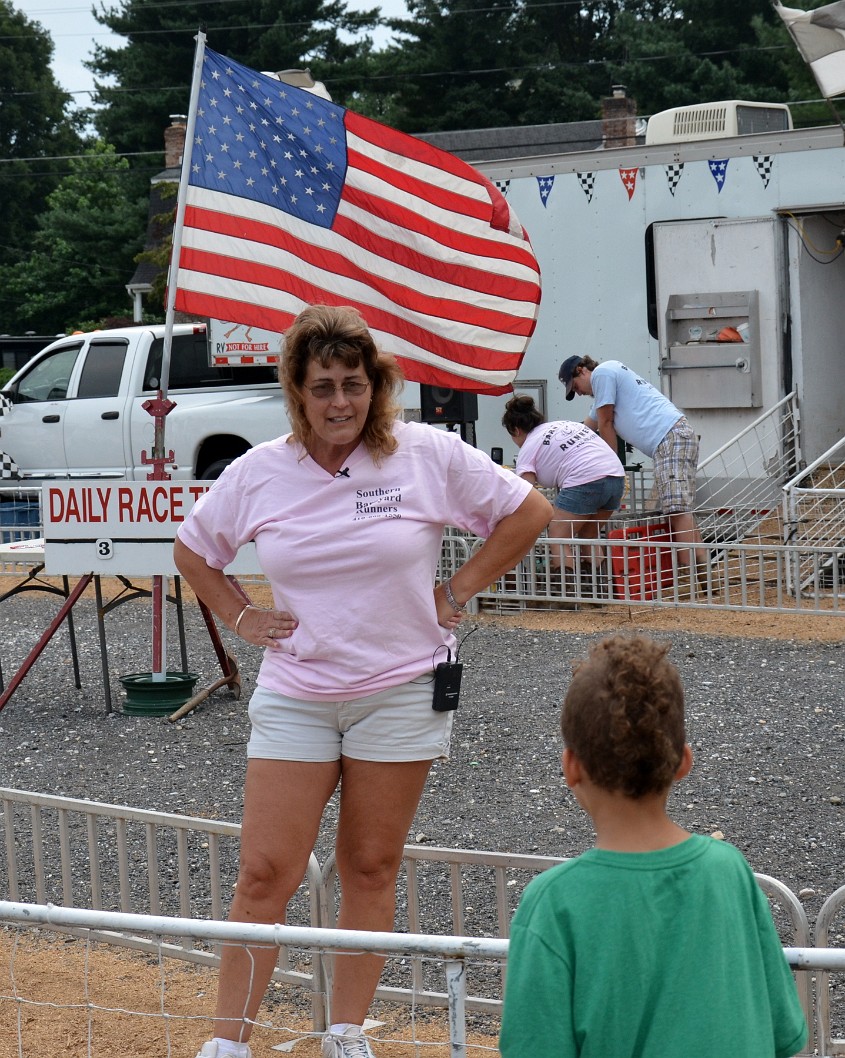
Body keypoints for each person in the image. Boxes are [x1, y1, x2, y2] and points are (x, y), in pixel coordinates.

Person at [174, 304, 553, 1058]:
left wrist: (455, 593)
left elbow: (527, 510)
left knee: (370, 866)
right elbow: (193, 551)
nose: (339, 402)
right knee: (263, 873)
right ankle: (228, 1044)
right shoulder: (259, 471)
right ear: (296, 391)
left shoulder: (423, 454)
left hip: (402, 691)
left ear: (377, 387)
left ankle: (345, 1033)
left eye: (353, 384)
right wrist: (243, 617)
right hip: (296, 694)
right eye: (322, 387)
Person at [499, 634, 808, 1058]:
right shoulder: (729, 870)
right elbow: (782, 1032)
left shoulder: (553, 902)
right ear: (683, 761)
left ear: (571, 767)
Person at [559, 355, 706, 571]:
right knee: (678, 507)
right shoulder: (605, 386)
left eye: (575, 386)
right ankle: (700, 573)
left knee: (677, 509)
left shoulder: (603, 373)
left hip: (670, 437)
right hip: (672, 437)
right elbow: (583, 431)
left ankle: (691, 571)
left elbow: (606, 423)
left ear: (582, 370)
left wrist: (613, 468)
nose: (578, 392)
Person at [501, 394, 625, 590]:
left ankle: (566, 593)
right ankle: (598, 590)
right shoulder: (563, 425)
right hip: (616, 477)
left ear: (515, 430)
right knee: (588, 535)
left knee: (558, 535)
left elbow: (523, 490)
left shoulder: (529, 445)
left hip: (584, 479)